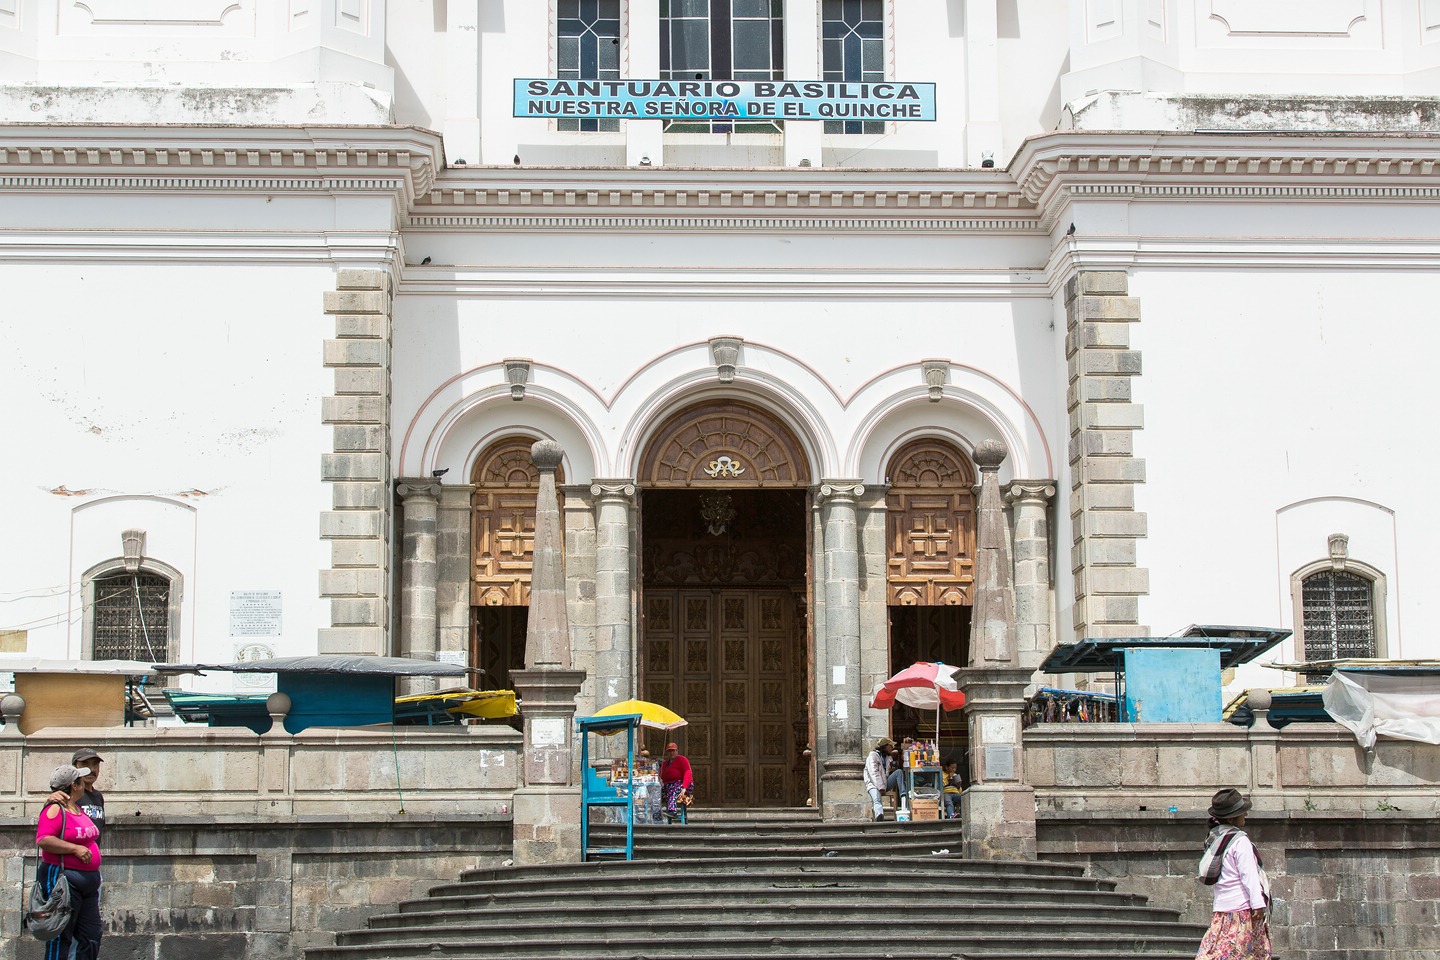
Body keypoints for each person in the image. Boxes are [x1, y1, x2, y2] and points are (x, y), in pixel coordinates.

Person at [36, 764, 103, 960]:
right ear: (74, 785)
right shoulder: (55, 809)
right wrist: (75, 848)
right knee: (60, 935)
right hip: (64, 880)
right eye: (81, 780)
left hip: (88, 884)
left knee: (91, 935)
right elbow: (43, 839)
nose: (85, 782)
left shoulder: (77, 807)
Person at [1195, 788, 1271, 960]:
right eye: (1242, 812)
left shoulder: (1215, 837)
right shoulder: (1240, 840)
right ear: (1231, 818)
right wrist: (1257, 903)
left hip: (1222, 910)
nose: (1245, 815)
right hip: (1242, 910)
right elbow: (1248, 875)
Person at [49, 748, 105, 837]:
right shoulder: (70, 794)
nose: (91, 769)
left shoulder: (98, 797)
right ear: (75, 768)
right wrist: (50, 800)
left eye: (95, 764)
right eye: (85, 764)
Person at [659, 742, 692, 822]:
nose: (671, 753)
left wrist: (684, 787)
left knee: (672, 790)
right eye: (669, 751)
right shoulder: (665, 764)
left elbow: (688, 772)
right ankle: (657, 814)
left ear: (677, 751)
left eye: (673, 751)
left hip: (682, 785)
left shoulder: (682, 759)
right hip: (668, 785)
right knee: (657, 793)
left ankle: (672, 811)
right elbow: (662, 776)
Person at [863, 737, 894, 821]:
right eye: (890, 746)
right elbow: (874, 773)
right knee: (877, 799)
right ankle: (879, 815)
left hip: (883, 784)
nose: (892, 748)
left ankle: (903, 798)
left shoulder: (887, 758)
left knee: (898, 773)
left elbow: (887, 774)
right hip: (872, 783)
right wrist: (881, 787)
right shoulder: (873, 756)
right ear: (885, 746)